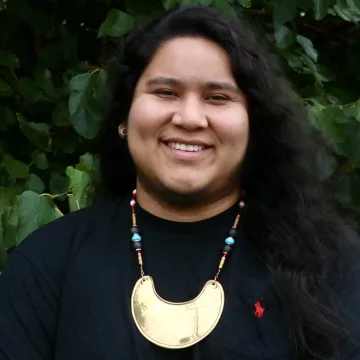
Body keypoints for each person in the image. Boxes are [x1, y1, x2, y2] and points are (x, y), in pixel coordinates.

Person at [0, 5, 359, 360]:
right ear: (124, 118)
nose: (189, 118)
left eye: (217, 97)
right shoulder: (46, 265)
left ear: (254, 125)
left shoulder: (333, 266)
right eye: (166, 92)